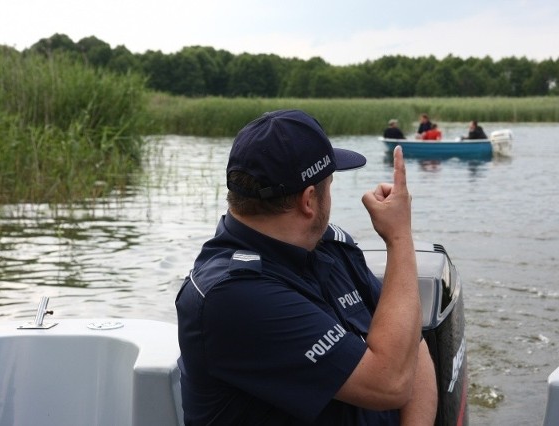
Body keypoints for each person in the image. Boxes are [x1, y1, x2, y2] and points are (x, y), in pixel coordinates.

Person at [176, 109, 438, 425]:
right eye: (329, 183)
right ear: (309, 199)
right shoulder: (233, 296)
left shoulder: (329, 247)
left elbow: (411, 342)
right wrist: (399, 238)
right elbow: (390, 383)